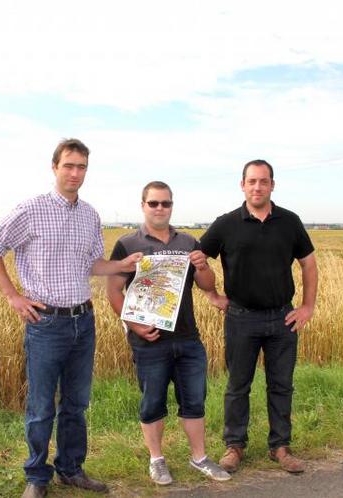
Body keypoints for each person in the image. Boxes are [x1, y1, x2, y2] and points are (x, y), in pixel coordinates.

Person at [0, 138, 142, 498]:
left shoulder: (90, 215)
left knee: (76, 403)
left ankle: (71, 469)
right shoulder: (30, 210)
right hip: (46, 324)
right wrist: (13, 296)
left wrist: (121, 265)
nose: (75, 173)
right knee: (41, 407)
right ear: (54, 167)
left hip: (83, 321)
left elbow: (93, 265)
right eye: (68, 165)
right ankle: (37, 477)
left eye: (81, 166)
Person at [106, 181, 231, 485]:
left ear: (172, 206)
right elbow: (112, 290)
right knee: (152, 403)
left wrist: (202, 266)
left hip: (188, 337)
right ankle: (157, 460)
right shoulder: (127, 244)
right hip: (148, 341)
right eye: (154, 203)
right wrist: (134, 324)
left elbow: (206, 284)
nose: (160, 208)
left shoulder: (189, 242)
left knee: (194, 400)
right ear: (143, 205)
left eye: (166, 203)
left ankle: (199, 458)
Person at [199, 160, 318, 474]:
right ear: (242, 185)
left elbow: (308, 264)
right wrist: (212, 295)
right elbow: (199, 261)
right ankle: (234, 447)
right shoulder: (225, 224)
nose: (257, 187)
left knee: (281, 386)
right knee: (238, 386)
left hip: (283, 318)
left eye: (263, 181)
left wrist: (307, 307)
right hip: (241, 318)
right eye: (251, 181)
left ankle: (280, 447)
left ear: (272, 185)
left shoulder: (290, 222)